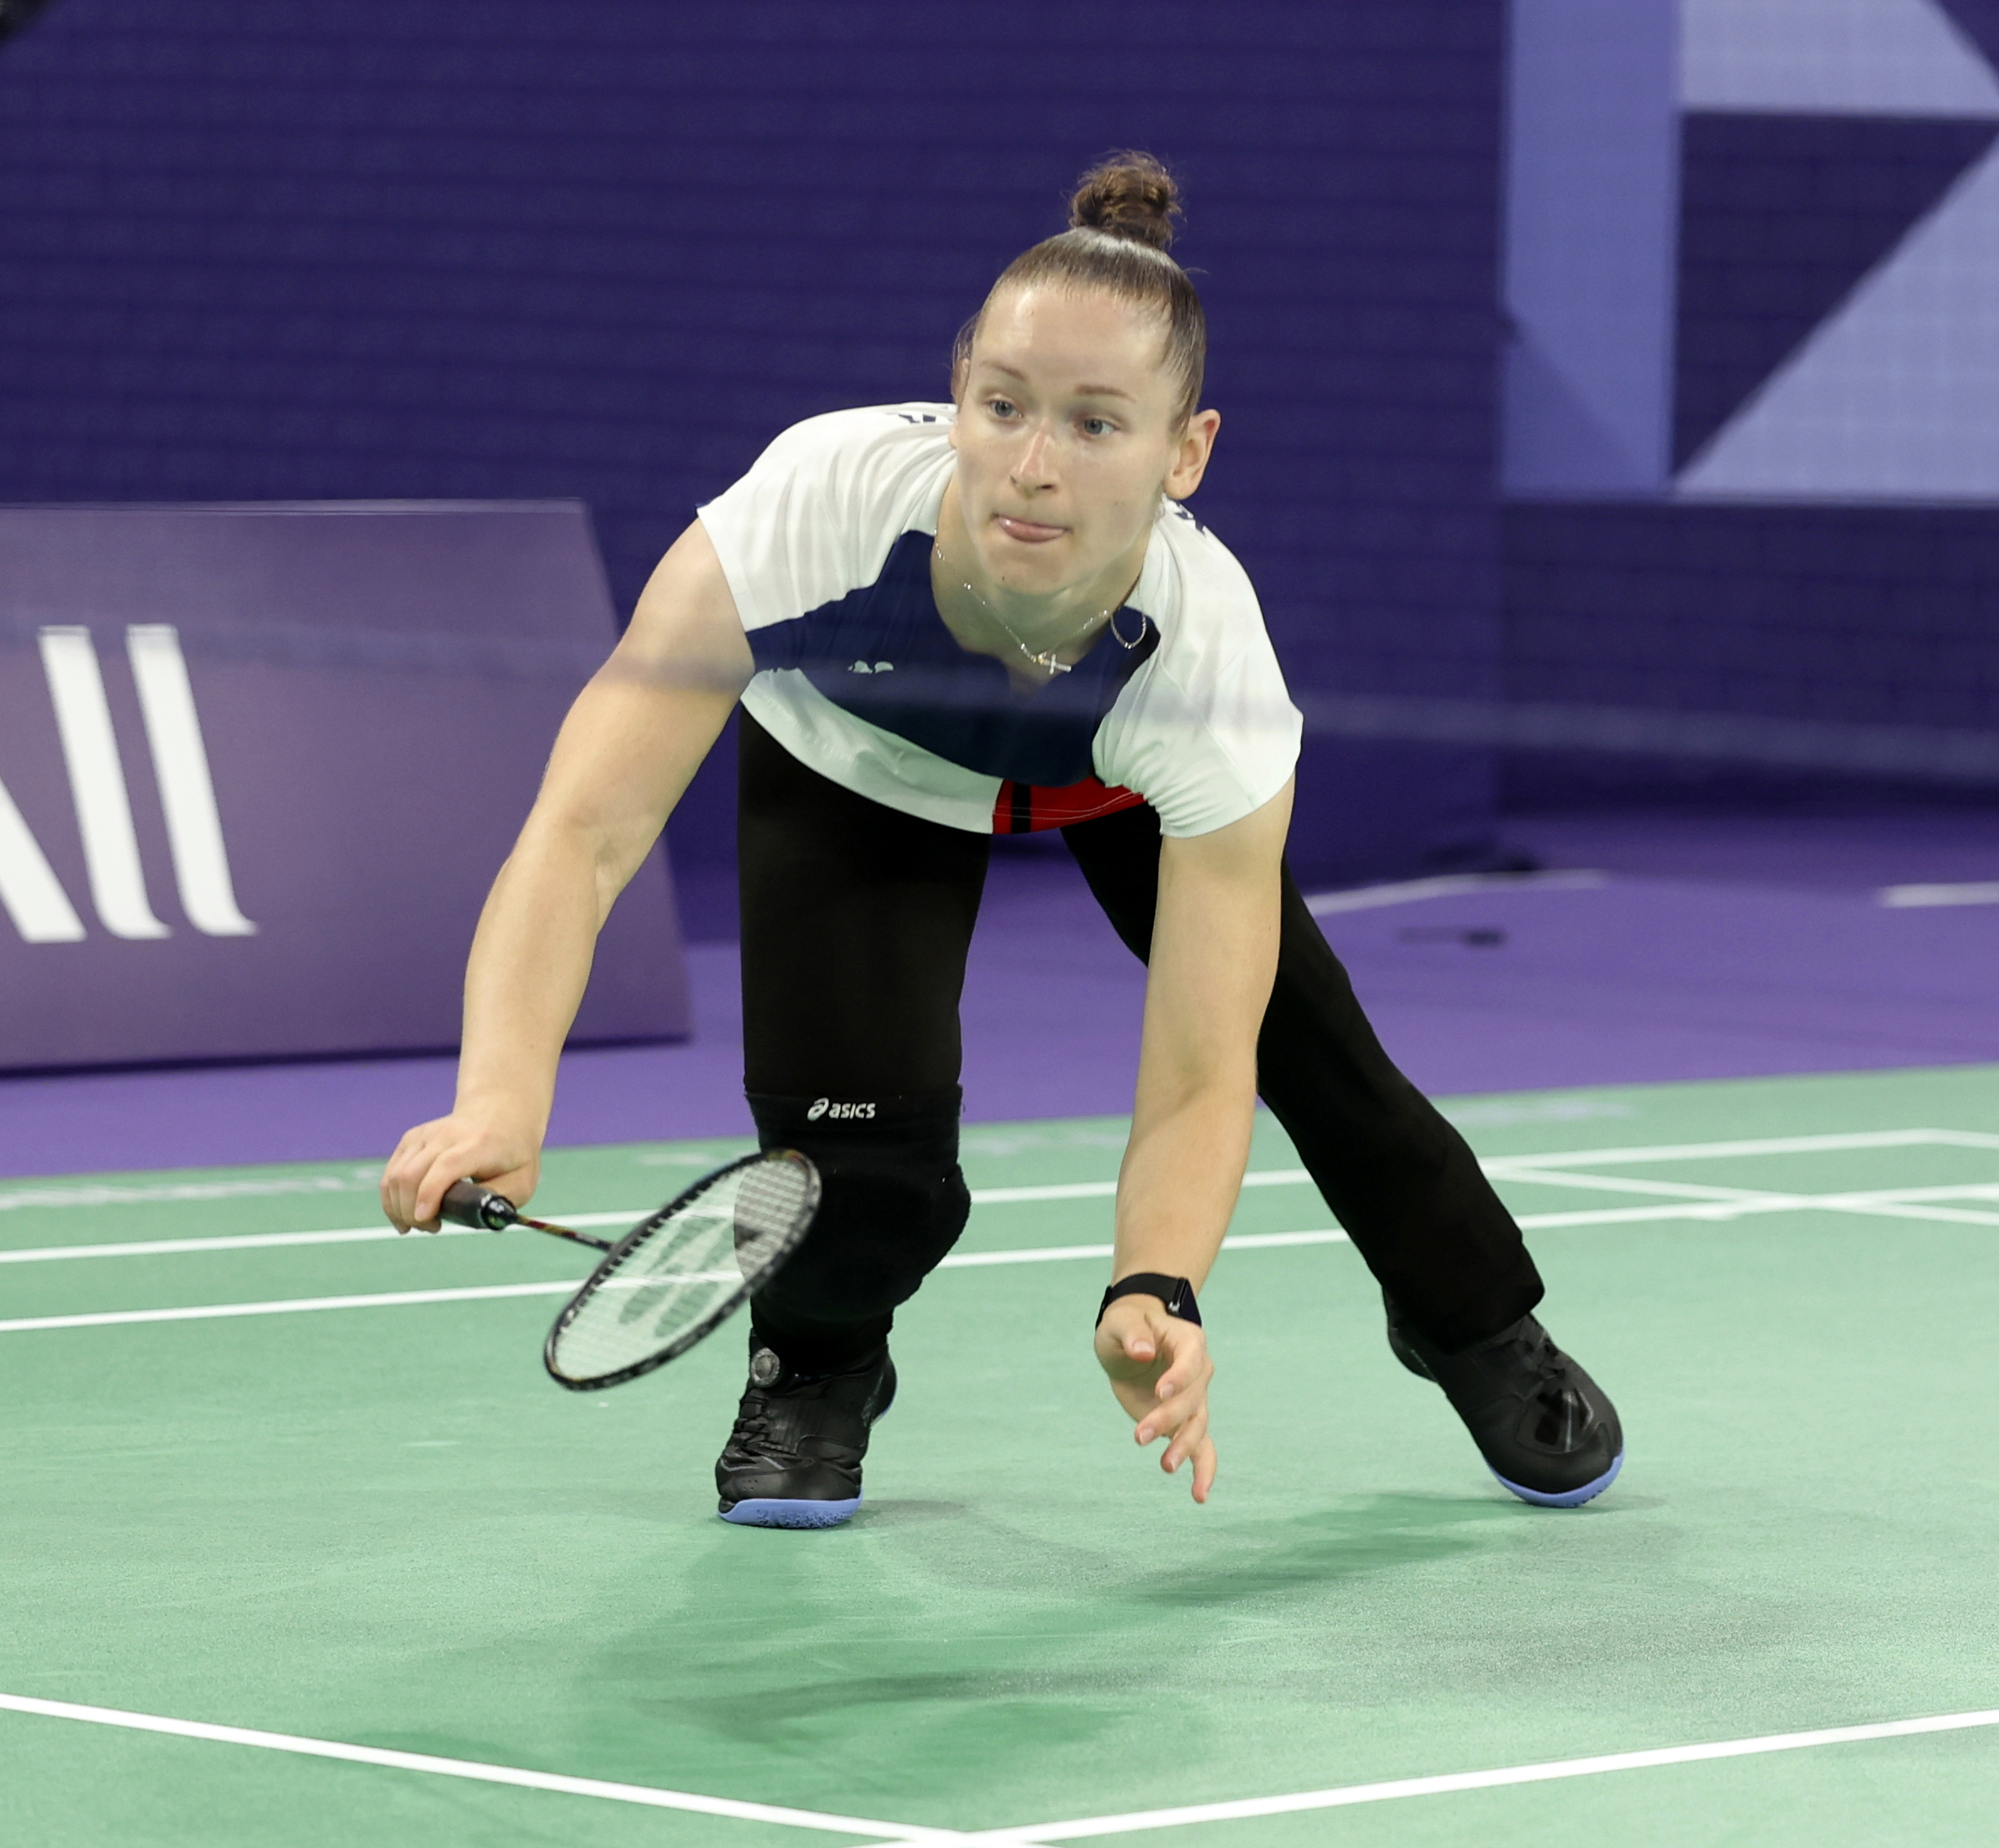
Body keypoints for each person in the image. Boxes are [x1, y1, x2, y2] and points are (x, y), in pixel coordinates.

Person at [382, 153, 1622, 1528]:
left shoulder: (1207, 663)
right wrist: (497, 1092)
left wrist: (1152, 1286)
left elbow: (1200, 1071)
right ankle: (817, 1359)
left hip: (1113, 780)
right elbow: (583, 832)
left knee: (1324, 1067)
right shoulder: (809, 512)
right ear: (957, 392)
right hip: (859, 760)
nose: (1033, 466)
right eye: (1003, 406)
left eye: (1098, 425)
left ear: (1184, 450)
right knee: (851, 1180)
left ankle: (1474, 1328)